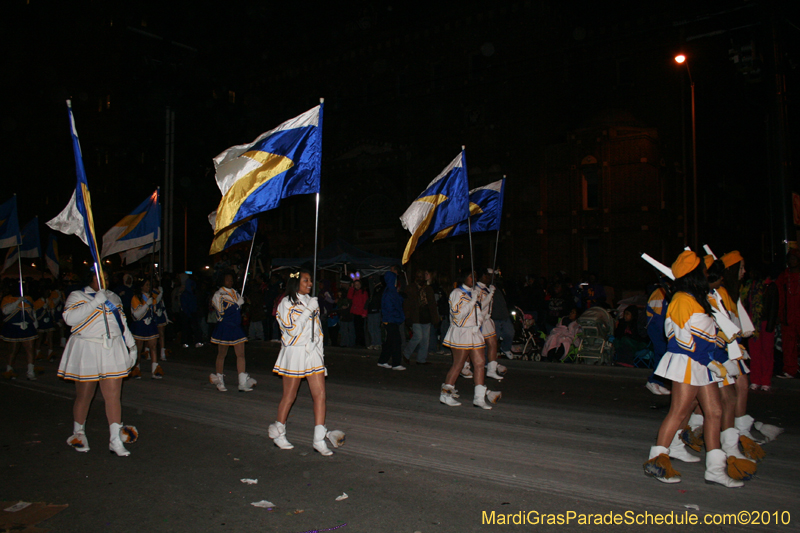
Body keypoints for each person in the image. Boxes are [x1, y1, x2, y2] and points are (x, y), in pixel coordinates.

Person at [643, 251, 741, 487]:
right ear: (694, 274)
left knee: (715, 411)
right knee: (678, 411)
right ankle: (657, 462)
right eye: (702, 270)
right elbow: (682, 340)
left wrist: (723, 349)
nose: (707, 273)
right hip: (688, 363)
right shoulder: (681, 300)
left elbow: (708, 335)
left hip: (704, 363)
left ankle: (715, 470)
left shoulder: (697, 297)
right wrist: (710, 360)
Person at [58, 271, 138, 457]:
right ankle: (79, 434)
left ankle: (115, 440)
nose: (104, 281)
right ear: (90, 279)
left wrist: (132, 346)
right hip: (88, 348)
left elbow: (122, 323)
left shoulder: (114, 297)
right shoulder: (77, 296)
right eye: (99, 277)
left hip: (112, 349)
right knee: (85, 395)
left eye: (107, 278)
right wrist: (95, 301)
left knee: (113, 396)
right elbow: (69, 319)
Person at [268, 269, 344, 456]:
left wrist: (319, 351)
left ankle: (318, 439)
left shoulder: (311, 301)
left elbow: (316, 330)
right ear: (295, 283)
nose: (310, 283)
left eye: (310, 280)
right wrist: (309, 309)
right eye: (305, 280)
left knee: (320, 394)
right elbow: (291, 331)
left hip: (312, 354)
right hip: (295, 353)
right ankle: (279, 433)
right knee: (290, 396)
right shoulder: (286, 303)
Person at [439, 270, 500, 409]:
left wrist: (489, 295)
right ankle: (445, 394)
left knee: (479, 363)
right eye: (470, 276)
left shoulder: (473, 292)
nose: (473, 279)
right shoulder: (456, 293)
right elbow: (457, 316)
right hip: (462, 333)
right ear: (463, 278)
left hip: (474, 331)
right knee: (458, 364)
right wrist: (472, 300)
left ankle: (478, 398)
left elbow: (480, 308)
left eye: (475, 276)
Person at [209, 273, 257, 392]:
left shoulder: (235, 293)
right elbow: (221, 313)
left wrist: (240, 304)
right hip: (225, 327)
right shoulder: (218, 294)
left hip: (236, 327)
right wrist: (236, 305)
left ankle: (242, 382)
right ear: (222, 280)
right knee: (222, 354)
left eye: (231, 280)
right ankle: (219, 380)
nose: (230, 282)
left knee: (241, 354)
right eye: (227, 279)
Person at [2, 281, 38, 380]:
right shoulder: (7, 299)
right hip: (14, 327)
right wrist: (18, 301)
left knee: (30, 349)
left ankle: (30, 371)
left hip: (27, 327)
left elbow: (32, 312)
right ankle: (9, 369)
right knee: (13, 350)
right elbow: (5, 311)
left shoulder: (29, 299)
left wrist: (35, 325)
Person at [129, 279, 164, 379]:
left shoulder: (151, 297)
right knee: (138, 348)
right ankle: (136, 368)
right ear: (141, 287)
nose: (149, 287)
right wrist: (146, 305)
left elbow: (156, 304)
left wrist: (160, 295)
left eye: (149, 285)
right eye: (147, 285)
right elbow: (136, 314)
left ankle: (155, 369)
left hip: (150, 325)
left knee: (153, 346)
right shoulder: (136, 298)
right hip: (140, 325)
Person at [402, 269, 439, 365]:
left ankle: (421, 359)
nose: (420, 278)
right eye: (418, 276)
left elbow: (432, 305)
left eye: (421, 276)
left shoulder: (428, 289)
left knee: (425, 340)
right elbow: (407, 304)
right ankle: (406, 353)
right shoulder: (410, 288)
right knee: (418, 336)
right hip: (415, 317)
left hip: (426, 316)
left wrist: (435, 319)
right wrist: (408, 317)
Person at [775, 248, 800, 379]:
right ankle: (790, 370)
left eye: (795, 258)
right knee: (788, 344)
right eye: (790, 258)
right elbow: (778, 296)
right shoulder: (784, 277)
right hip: (788, 316)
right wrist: (779, 314)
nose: (792, 260)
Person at [378, 270, 405, 370]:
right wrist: (397, 316)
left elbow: (397, 301)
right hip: (391, 320)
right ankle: (396, 363)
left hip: (391, 319)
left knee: (390, 341)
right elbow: (391, 307)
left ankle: (382, 360)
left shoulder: (390, 291)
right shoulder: (390, 291)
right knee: (396, 341)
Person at [348, 278, 369, 347]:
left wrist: (364, 313)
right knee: (356, 329)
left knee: (361, 329)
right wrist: (351, 288)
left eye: (358, 284)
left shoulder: (364, 292)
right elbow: (349, 297)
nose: (357, 286)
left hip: (361, 313)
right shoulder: (354, 292)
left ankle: (362, 343)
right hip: (355, 312)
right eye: (355, 285)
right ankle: (357, 343)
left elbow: (366, 303)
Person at [365, 276, 384, 350]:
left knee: (376, 327)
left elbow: (380, 301)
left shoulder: (380, 289)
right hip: (370, 311)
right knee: (371, 328)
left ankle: (378, 343)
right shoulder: (371, 290)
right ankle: (373, 343)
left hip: (376, 310)